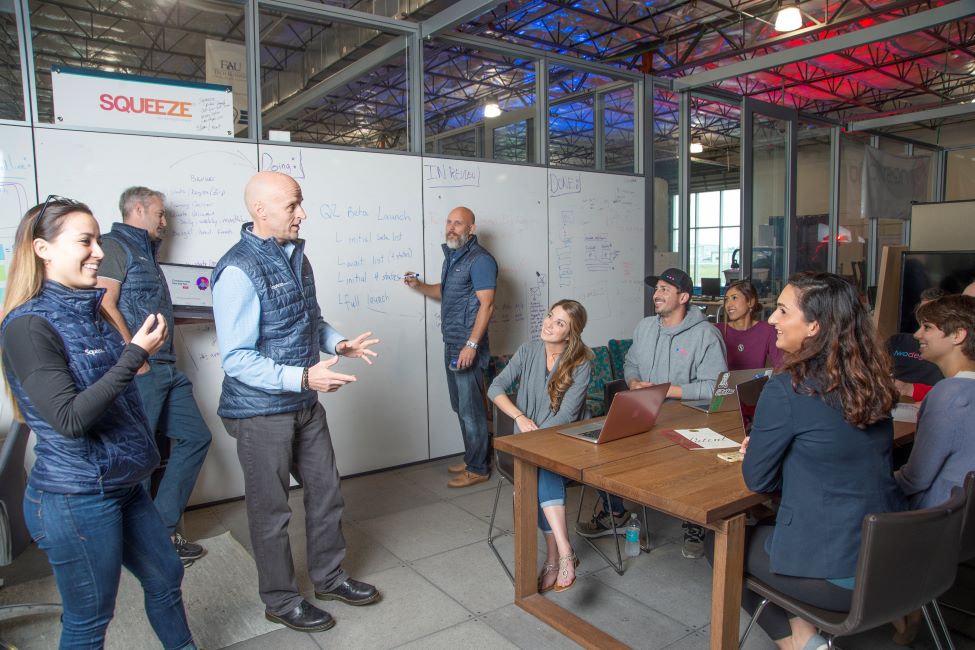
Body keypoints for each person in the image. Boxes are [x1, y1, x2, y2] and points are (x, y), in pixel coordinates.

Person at [1, 197, 197, 649]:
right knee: (90, 619)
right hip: (77, 498)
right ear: (43, 250)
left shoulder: (90, 309)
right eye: (84, 241)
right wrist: (135, 356)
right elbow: (70, 419)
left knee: (166, 575)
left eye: (97, 241)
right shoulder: (27, 327)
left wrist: (134, 356)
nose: (98, 252)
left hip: (123, 483)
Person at [211, 171, 381, 632]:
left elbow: (311, 321)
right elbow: (237, 359)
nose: (302, 213)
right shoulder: (237, 270)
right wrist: (304, 375)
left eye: (300, 203)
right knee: (271, 511)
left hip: (303, 402)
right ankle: (282, 600)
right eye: (292, 205)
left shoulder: (298, 257)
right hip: (259, 411)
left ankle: (328, 577)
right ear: (260, 210)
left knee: (326, 492)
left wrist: (338, 344)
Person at [732, 271, 906, 650]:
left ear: (814, 326)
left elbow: (756, 481)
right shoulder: (872, 379)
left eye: (781, 310)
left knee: (724, 548)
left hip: (840, 573)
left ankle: (800, 642)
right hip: (892, 556)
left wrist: (763, 453)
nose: (772, 319)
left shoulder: (787, 388)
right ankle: (805, 633)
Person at [96, 186, 212, 565]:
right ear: (139, 209)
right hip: (142, 369)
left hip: (166, 366)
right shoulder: (114, 245)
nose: (165, 221)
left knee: (196, 437)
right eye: (160, 214)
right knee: (142, 457)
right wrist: (135, 356)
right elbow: (103, 301)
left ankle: (161, 530)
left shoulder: (148, 254)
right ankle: (140, 546)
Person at [577, 267, 727, 559]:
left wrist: (668, 390)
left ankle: (694, 525)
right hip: (643, 412)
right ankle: (614, 512)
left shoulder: (706, 335)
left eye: (664, 290)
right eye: (656, 289)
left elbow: (715, 388)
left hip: (686, 418)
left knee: (689, 465)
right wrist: (633, 382)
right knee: (597, 451)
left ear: (683, 297)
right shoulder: (645, 327)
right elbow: (631, 363)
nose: (656, 295)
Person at [488, 300, 592, 592]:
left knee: (539, 468)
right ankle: (563, 553)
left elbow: (566, 417)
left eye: (559, 322)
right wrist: (519, 417)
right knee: (538, 466)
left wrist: (534, 444)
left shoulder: (581, 362)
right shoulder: (528, 350)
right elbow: (494, 388)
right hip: (526, 443)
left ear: (570, 334)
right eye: (550, 316)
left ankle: (555, 558)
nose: (549, 323)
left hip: (562, 443)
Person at [404, 206, 497, 488]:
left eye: (459, 223)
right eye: (449, 222)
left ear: (471, 228)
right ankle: (473, 459)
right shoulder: (454, 257)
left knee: (471, 409)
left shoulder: (480, 260)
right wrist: (419, 285)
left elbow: (487, 304)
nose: (452, 227)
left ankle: (479, 467)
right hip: (453, 342)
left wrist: (471, 345)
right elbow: (445, 292)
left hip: (467, 346)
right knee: (461, 406)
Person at [894, 294, 975, 509]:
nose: (917, 334)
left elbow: (914, 480)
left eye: (927, 327)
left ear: (958, 335)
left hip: (936, 519)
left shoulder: (948, 394)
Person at [887, 287, 945, 402]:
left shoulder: (953, 354)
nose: (917, 335)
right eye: (921, 312)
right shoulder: (897, 341)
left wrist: (911, 390)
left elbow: (956, 392)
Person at [715, 279, 782, 370]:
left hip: (755, 383)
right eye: (726, 300)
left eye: (734, 298)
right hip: (722, 384)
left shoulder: (767, 330)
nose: (728, 304)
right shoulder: (717, 330)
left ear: (750, 302)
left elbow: (781, 365)